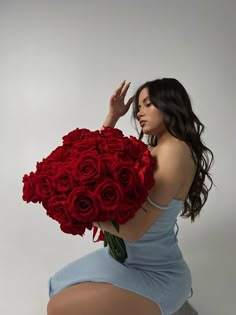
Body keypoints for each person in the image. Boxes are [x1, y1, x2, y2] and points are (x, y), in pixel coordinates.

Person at [47, 78, 214, 315]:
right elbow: (98, 158)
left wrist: (78, 212)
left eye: (147, 104)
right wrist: (113, 116)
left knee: (58, 308)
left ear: (169, 104)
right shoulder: (153, 149)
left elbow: (135, 231)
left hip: (156, 273)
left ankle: (172, 307)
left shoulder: (174, 151)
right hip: (124, 260)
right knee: (57, 286)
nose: (139, 113)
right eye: (138, 108)